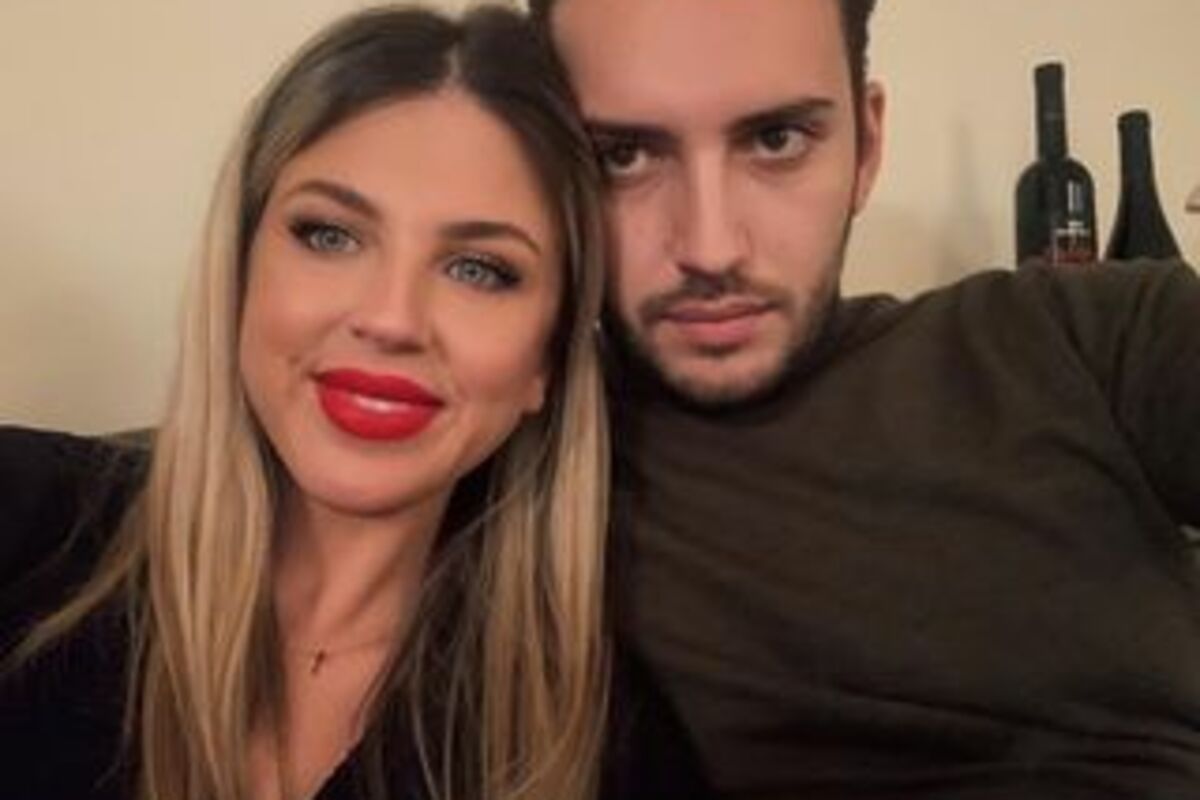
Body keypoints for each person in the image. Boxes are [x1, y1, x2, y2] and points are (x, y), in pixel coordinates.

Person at [0, 6, 710, 800]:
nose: (391, 318)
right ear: (240, 272)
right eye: (330, 235)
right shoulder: (25, 523)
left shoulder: (607, 745)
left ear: (545, 362)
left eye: (480, 269)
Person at [531, 0, 1200, 797]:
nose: (711, 248)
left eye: (776, 140)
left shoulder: (1084, 337)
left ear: (867, 146)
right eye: (623, 156)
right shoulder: (514, 444)